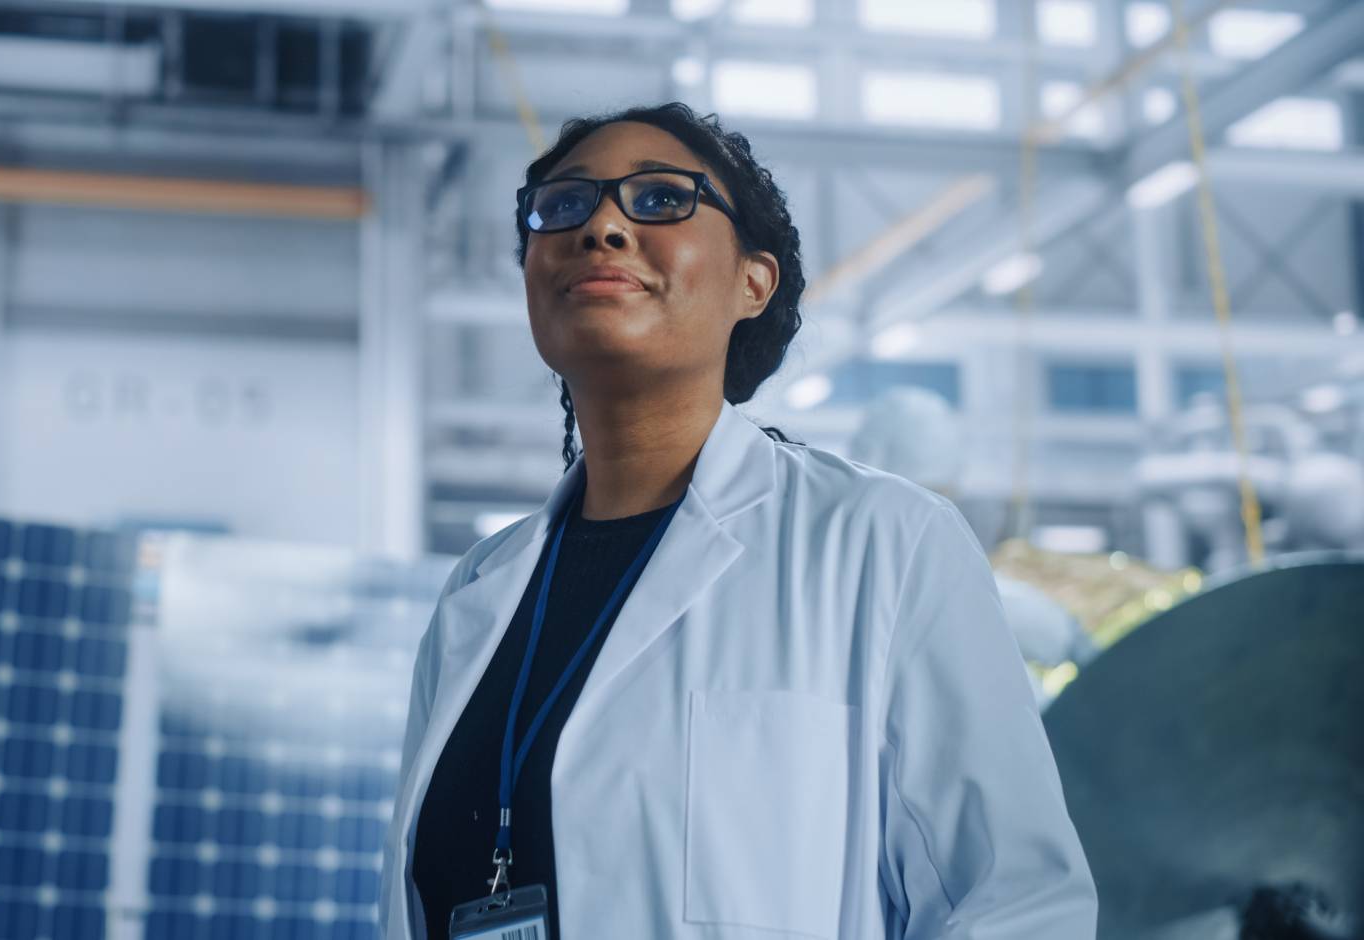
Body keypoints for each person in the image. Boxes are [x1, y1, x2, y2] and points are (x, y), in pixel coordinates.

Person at [379, 102, 1096, 939]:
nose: (603, 223)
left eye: (660, 198)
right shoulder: (481, 591)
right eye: (563, 205)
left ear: (753, 282)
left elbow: (1014, 906)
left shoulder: (881, 544)